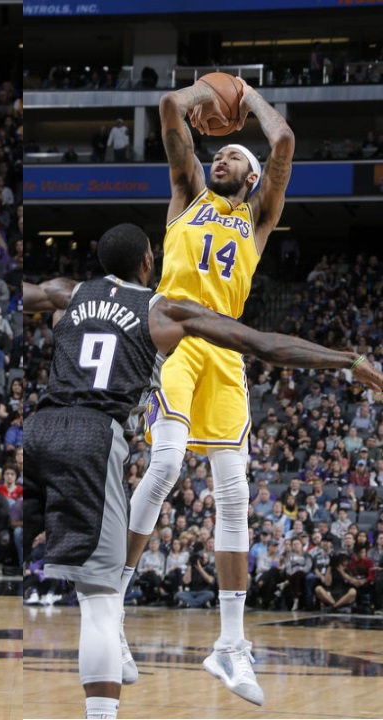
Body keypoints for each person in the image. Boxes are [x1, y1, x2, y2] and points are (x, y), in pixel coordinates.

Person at [12, 223, 382, 720]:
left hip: (38, 431)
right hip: (92, 439)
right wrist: (347, 360)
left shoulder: (69, 293)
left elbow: (18, 292)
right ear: (150, 263)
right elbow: (265, 344)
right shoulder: (162, 309)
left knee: (34, 560)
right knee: (100, 606)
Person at [119, 75, 295, 707]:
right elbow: (168, 111)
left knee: (235, 491)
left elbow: (283, 142)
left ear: (249, 179)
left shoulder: (257, 218)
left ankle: (228, 645)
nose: (220, 159)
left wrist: (245, 98)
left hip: (226, 355)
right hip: (177, 341)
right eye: (217, 153)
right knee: (164, 463)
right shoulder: (188, 193)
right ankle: (111, 612)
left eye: (231, 158)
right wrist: (200, 95)